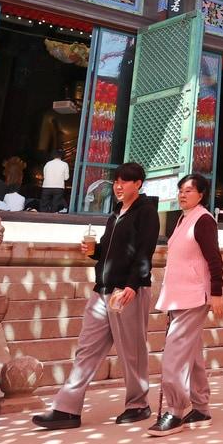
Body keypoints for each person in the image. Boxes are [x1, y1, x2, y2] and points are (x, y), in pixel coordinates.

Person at [33, 162, 159, 430]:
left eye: (125, 181)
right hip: (101, 290)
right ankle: (67, 408)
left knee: (131, 351)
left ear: (138, 184)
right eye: (116, 182)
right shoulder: (116, 214)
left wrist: (132, 286)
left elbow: (144, 252)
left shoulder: (146, 213)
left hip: (126, 291)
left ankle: (138, 404)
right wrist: (94, 252)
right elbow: (108, 250)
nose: (119, 186)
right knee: (86, 349)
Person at [148, 173, 223, 437]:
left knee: (174, 355)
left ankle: (175, 411)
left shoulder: (203, 220)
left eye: (189, 191)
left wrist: (217, 293)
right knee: (191, 355)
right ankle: (201, 408)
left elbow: (214, 259)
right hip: (178, 296)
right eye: (181, 190)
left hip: (194, 295)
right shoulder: (182, 219)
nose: (182, 194)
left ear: (201, 195)